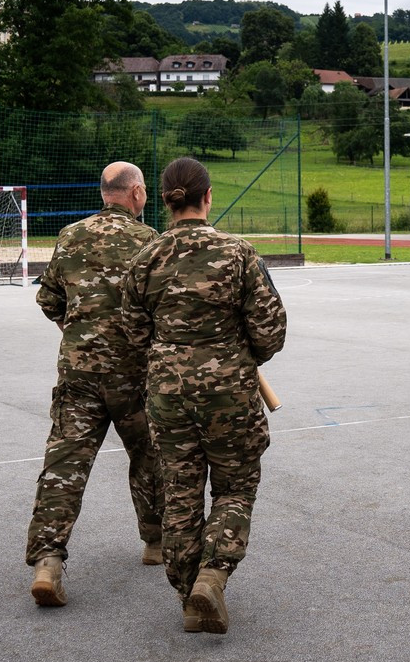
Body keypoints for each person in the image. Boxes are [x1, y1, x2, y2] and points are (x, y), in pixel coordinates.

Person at [122, 157, 287, 634]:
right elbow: (271, 331)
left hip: (169, 394)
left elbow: (133, 334)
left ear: (167, 198)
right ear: (207, 197)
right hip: (230, 393)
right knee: (235, 486)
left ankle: (186, 587)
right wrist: (237, 353)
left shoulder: (146, 257)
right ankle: (212, 576)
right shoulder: (238, 252)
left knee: (180, 490)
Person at [26, 161, 162, 607]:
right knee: (149, 456)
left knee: (65, 465)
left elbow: (49, 301)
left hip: (79, 374)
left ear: (105, 193)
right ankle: (155, 542)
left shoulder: (71, 235)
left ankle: (47, 561)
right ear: (137, 193)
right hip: (134, 377)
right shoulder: (150, 242)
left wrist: (80, 332)